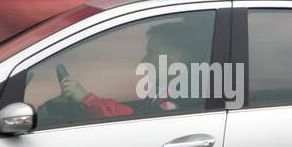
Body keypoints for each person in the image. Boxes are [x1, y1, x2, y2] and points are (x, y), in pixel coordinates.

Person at [60, 19, 202, 118]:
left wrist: (88, 100)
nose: (144, 60)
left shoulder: (183, 100)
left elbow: (137, 121)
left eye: (151, 52)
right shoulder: (164, 91)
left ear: (175, 56)